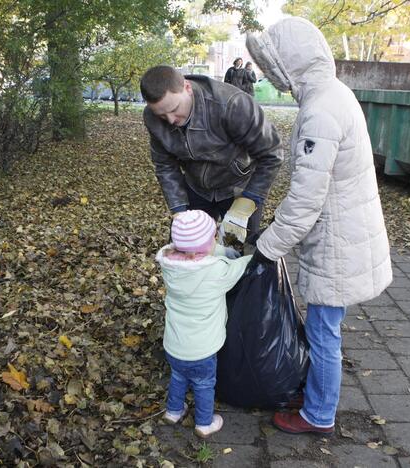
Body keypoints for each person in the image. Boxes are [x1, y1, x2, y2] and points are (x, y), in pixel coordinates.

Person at [245, 17, 393, 435]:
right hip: (347, 229)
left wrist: (268, 246)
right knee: (325, 325)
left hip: (337, 240)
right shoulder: (334, 94)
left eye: (275, 69)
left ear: (291, 64)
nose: (272, 79)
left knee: (324, 331)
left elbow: (307, 199)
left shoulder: (319, 112)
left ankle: (319, 413)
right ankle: (314, 393)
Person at [139, 65, 284, 246]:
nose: (170, 120)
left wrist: (249, 200)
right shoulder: (152, 117)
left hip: (239, 186)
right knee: (186, 248)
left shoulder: (232, 104)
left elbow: (272, 154)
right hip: (196, 187)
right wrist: (179, 210)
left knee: (241, 251)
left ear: (187, 88)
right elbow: (165, 165)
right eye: (162, 115)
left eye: (175, 108)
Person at [156, 210, 251, 437]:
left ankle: (173, 411)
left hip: (174, 345)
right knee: (203, 384)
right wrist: (255, 256)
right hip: (202, 349)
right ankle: (204, 423)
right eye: (213, 237)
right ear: (209, 242)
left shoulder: (169, 265)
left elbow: (196, 251)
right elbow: (240, 268)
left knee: (178, 377)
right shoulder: (215, 270)